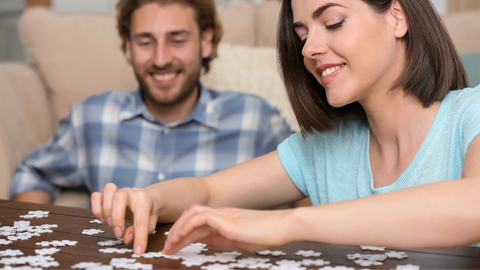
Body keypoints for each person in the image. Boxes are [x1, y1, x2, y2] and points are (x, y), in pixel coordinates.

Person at [91, 0, 480, 256]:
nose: (310, 48)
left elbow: (473, 203)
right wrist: (151, 199)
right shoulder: (322, 149)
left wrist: (287, 223)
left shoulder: (471, 112)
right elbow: (209, 190)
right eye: (302, 34)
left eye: (333, 22)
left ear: (398, 16)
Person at [9, 0, 292, 204]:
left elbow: (310, 183)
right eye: (145, 42)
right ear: (127, 47)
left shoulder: (256, 119)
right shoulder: (92, 118)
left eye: (177, 40)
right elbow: (34, 173)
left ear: (205, 42)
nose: (160, 59)